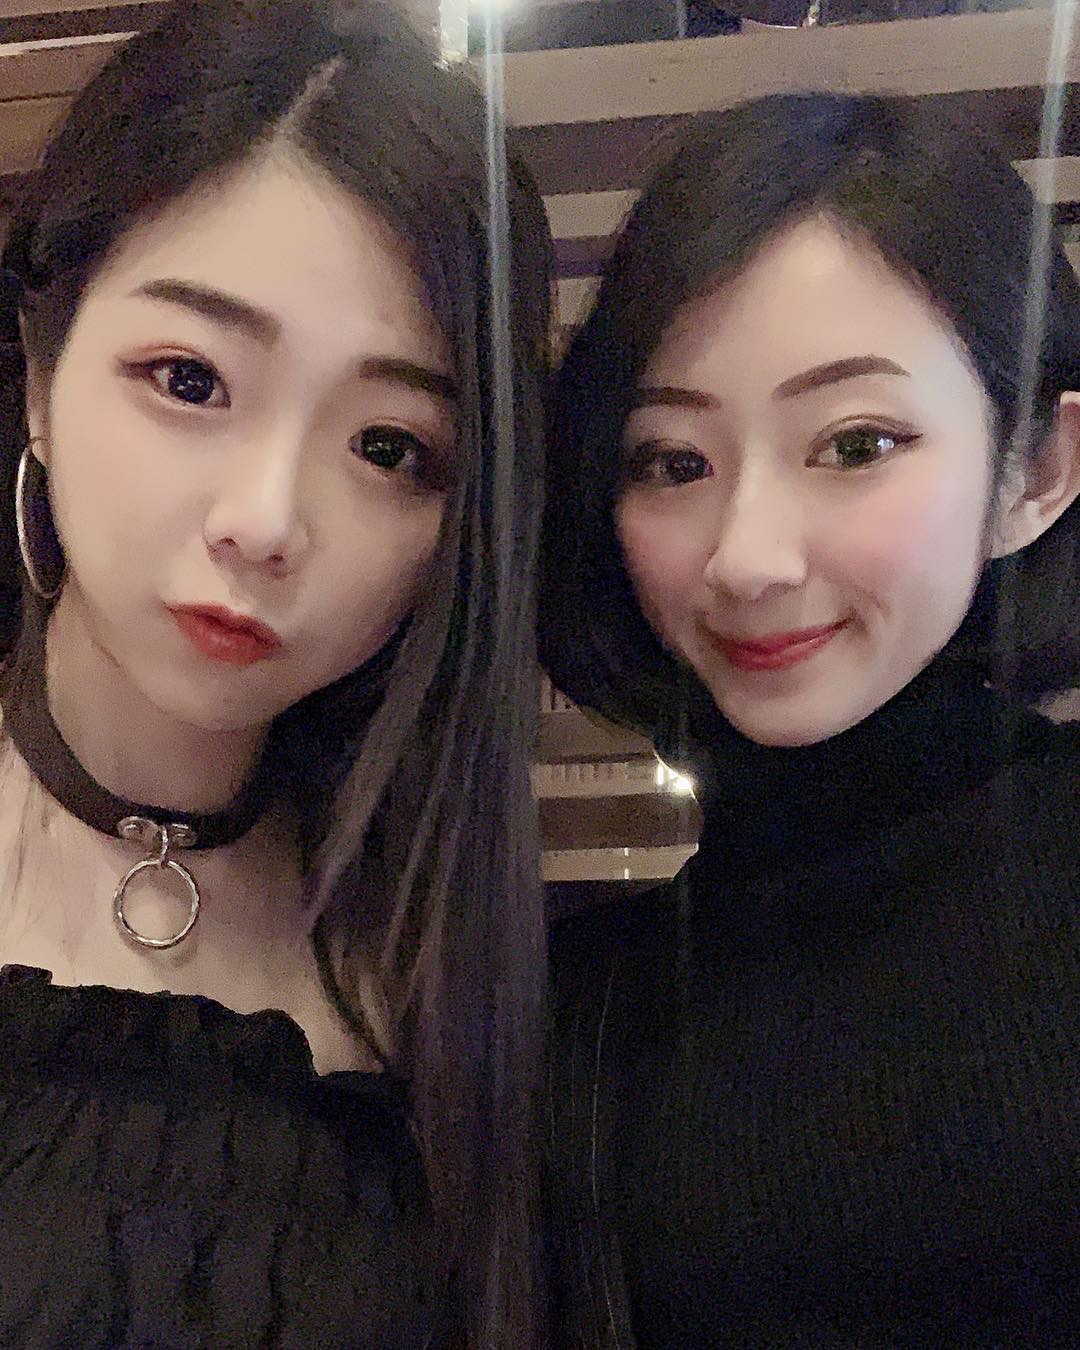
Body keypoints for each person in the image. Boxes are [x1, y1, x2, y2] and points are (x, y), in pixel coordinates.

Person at [0, 1, 552, 1344]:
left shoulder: (435, 962)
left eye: (388, 448)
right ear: (40, 378)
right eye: (189, 379)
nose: (266, 521)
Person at [541, 92, 1080, 1347]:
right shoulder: (585, 1013)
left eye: (854, 444)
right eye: (674, 462)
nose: (748, 558)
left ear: (1038, 471)